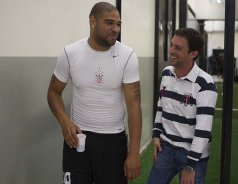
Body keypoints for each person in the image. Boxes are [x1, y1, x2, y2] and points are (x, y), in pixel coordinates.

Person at [47, 2, 142, 184]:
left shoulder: (127, 56)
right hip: (78, 140)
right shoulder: (70, 53)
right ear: (92, 21)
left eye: (119, 24)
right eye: (109, 23)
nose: (116, 29)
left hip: (113, 142)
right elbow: (53, 92)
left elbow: (134, 106)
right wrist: (65, 121)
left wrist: (134, 152)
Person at [147, 28, 218, 184]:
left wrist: (190, 166)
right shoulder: (166, 73)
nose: (171, 50)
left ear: (193, 54)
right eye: (171, 45)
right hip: (165, 148)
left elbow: (203, 130)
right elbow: (161, 107)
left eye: (178, 48)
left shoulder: (205, 84)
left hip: (192, 154)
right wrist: (156, 134)